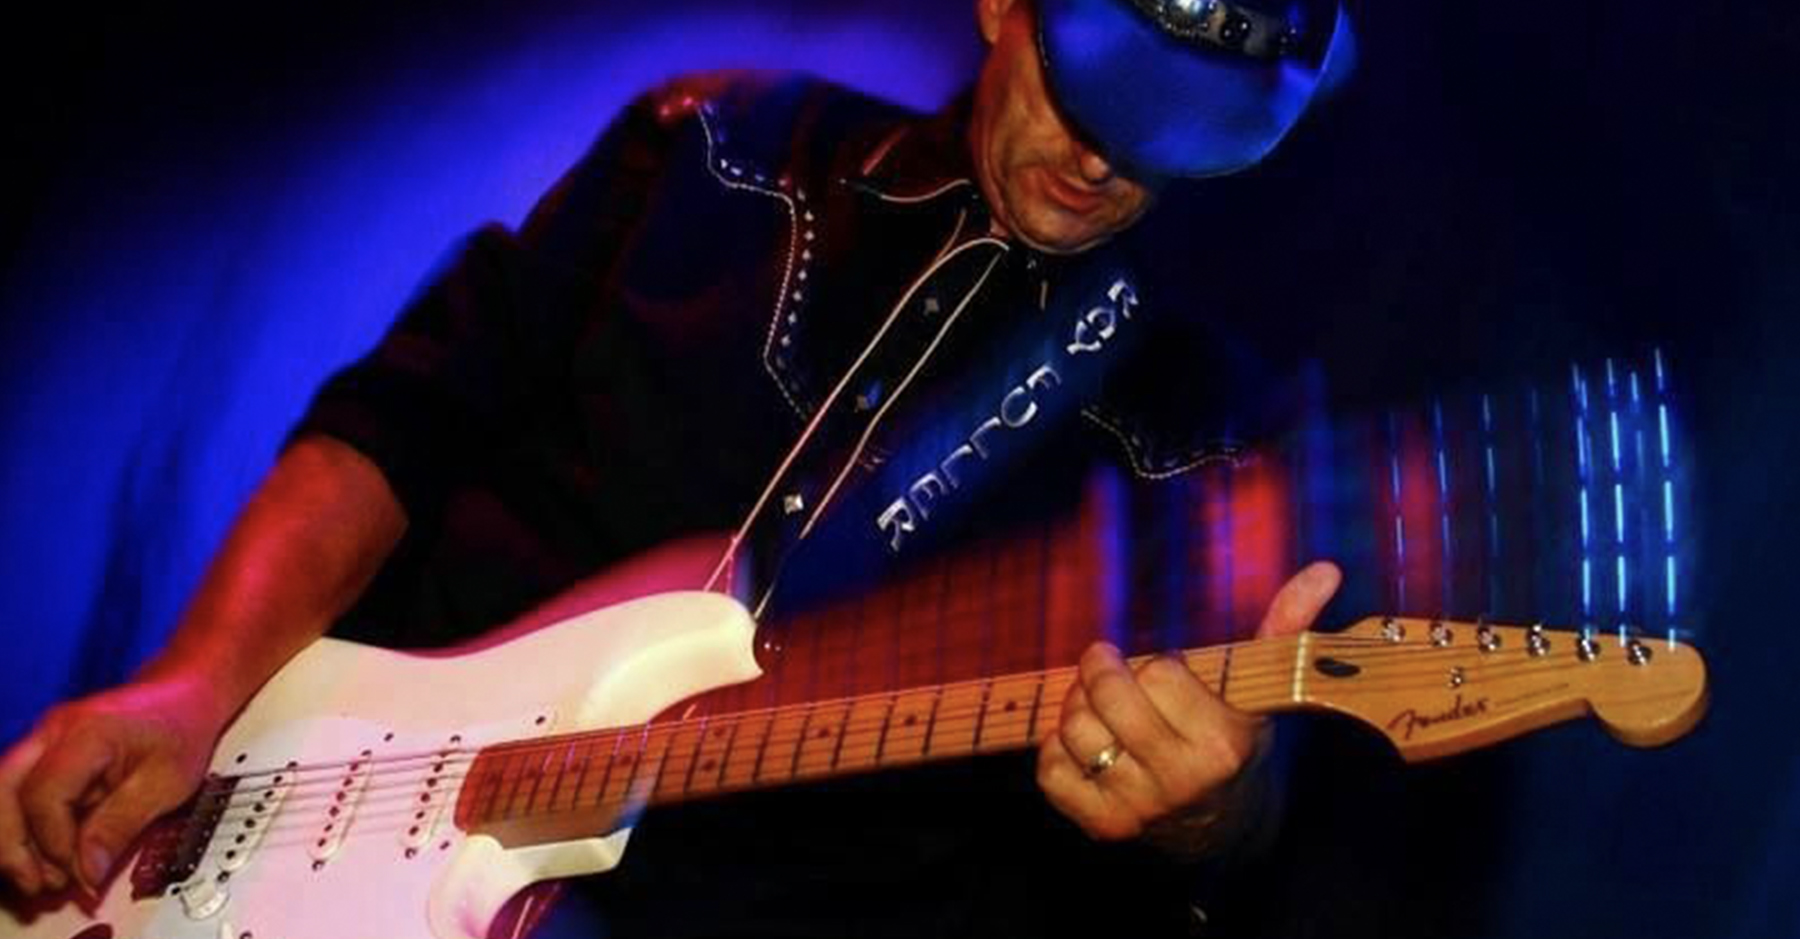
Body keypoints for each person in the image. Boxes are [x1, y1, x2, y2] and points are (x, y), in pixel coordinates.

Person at [0, 0, 1354, 934]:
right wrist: (196, 685)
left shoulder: (1215, 437)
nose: (1106, 157)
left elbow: (1240, 850)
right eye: (1093, 88)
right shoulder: (719, 147)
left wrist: (1215, 815)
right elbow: (399, 421)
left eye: (1173, 134)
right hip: (298, 841)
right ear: (1003, 4)